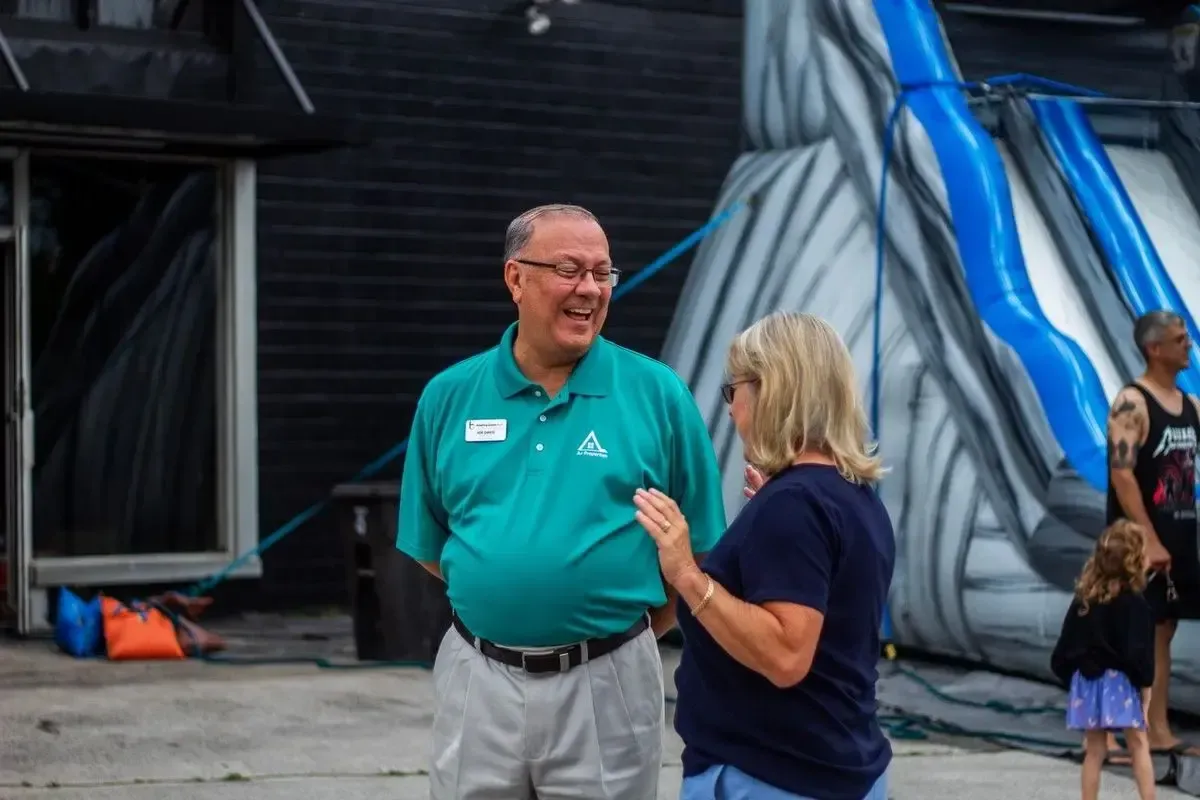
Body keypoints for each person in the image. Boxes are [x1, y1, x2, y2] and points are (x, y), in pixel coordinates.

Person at [397, 203, 727, 799]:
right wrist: (506, 594)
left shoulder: (658, 395)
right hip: (478, 676)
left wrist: (619, 630)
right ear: (515, 279)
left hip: (607, 679)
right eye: (569, 270)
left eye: (603, 273)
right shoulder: (449, 396)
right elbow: (429, 541)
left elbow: (699, 544)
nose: (590, 290)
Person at [633, 311, 895, 800]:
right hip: (830, 768)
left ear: (770, 390)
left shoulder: (795, 506)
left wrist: (687, 573)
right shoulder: (850, 494)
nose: (731, 409)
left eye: (733, 390)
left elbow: (785, 656)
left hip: (773, 775)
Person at [1105, 310, 1200, 760]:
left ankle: (1156, 728)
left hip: (1178, 532)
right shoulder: (1132, 403)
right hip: (1139, 538)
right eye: (1180, 340)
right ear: (1154, 348)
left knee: (1163, 629)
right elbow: (1121, 475)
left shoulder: (1191, 405)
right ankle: (1110, 731)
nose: (1188, 344)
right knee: (1129, 630)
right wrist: (1149, 538)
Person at [1050, 519, 1156, 800]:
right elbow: (1140, 655)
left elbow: (1066, 646)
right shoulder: (1135, 603)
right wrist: (1146, 693)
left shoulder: (1085, 599)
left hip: (1086, 682)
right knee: (1138, 744)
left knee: (1095, 750)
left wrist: (1073, 677)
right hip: (1120, 683)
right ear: (1136, 561)